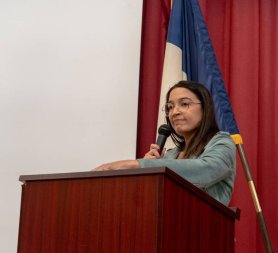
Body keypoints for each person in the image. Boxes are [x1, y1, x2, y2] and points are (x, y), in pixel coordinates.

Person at [93, 80, 236, 205]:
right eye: (170, 107)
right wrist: (147, 177)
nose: (175, 112)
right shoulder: (170, 155)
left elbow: (206, 169)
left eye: (184, 104)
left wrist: (139, 165)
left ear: (205, 109)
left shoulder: (221, 142)